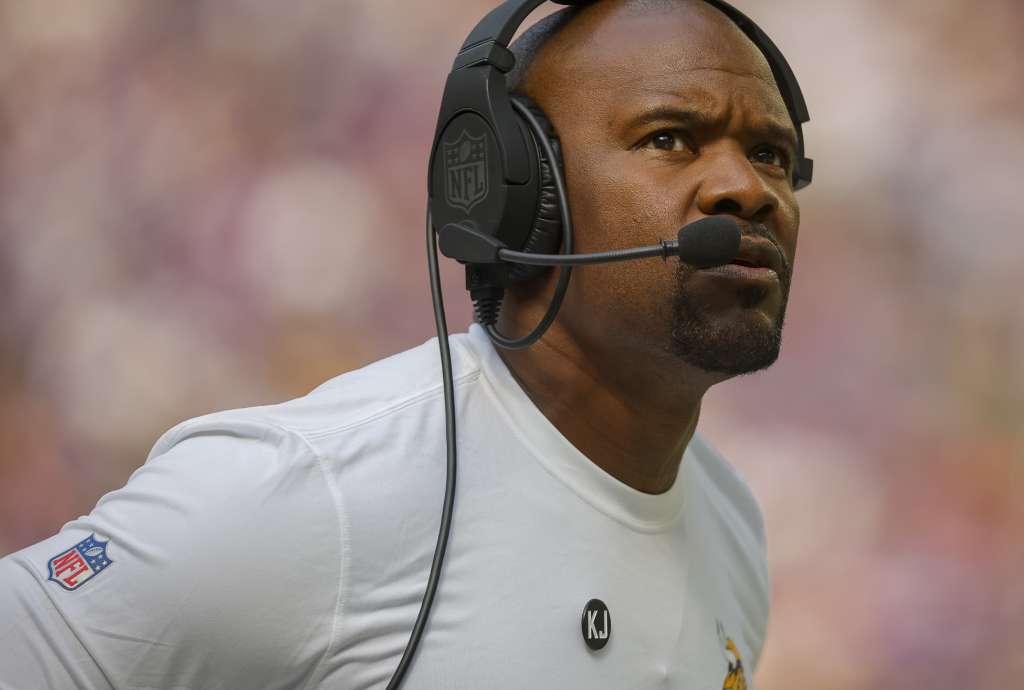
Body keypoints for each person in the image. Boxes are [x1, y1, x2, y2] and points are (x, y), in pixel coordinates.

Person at [0, 0, 802, 687]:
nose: (747, 188)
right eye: (669, 139)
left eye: (770, 155)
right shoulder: (313, 492)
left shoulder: (732, 525)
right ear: (522, 193)